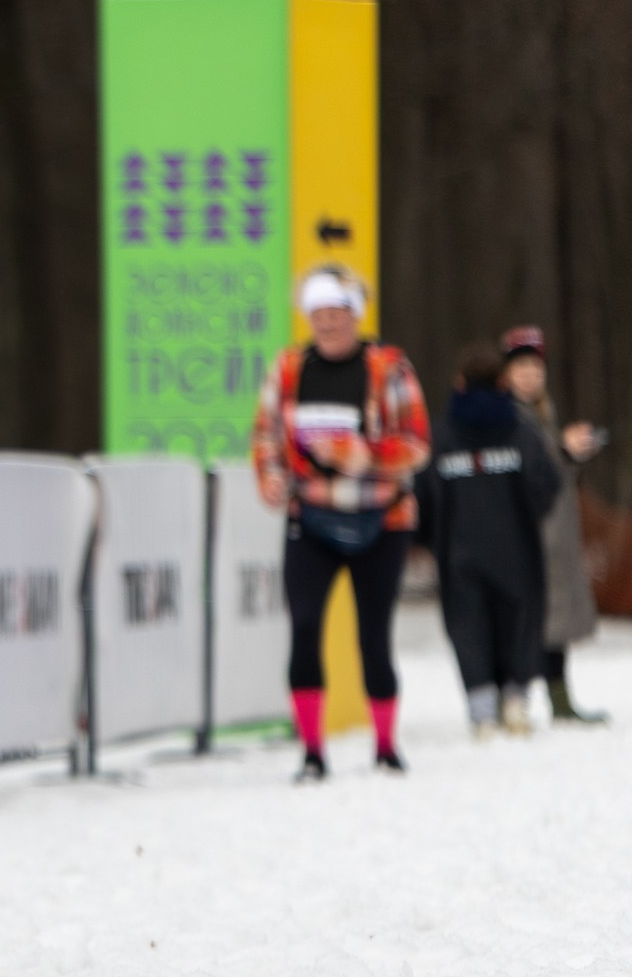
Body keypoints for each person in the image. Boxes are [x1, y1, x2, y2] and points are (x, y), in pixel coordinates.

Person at [251, 265, 431, 781]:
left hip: (383, 517)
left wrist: (364, 454)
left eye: (337, 313)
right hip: (309, 516)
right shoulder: (288, 369)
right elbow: (265, 434)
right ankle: (311, 752)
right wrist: (268, 477)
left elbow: (416, 445)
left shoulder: (388, 369)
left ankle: (386, 746)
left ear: (355, 315)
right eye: (318, 314)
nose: (327, 324)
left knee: (373, 635)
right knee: (304, 628)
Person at [417, 344, 561, 737]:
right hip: (516, 549)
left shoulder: (440, 434)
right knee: (519, 620)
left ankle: (481, 708)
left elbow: (421, 495)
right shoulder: (521, 431)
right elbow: (546, 485)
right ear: (503, 382)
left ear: (459, 383)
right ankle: (515, 700)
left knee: (469, 624)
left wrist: (429, 537)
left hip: (458, 551)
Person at [499, 326, 608, 724]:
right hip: (526, 532)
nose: (529, 374)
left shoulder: (544, 411)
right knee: (525, 618)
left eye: (535, 366)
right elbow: (525, 471)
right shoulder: (505, 414)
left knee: (555, 617)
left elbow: (551, 469)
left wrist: (573, 453)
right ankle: (509, 701)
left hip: (555, 532)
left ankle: (560, 698)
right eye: (520, 366)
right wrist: (562, 450)